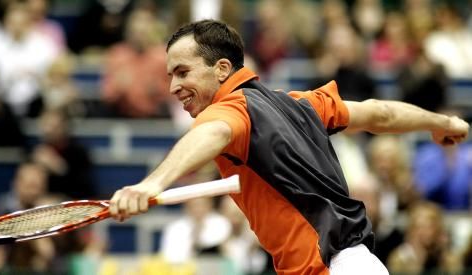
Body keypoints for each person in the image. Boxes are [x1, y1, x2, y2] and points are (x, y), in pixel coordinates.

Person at [109, 20, 470, 274]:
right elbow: (381, 113)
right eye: (170, 74)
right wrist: (443, 123)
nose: (173, 86)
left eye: (183, 72)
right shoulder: (300, 104)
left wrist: (150, 184)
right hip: (351, 264)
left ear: (222, 69)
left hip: (330, 267)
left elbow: (212, 134)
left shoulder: (229, 111)